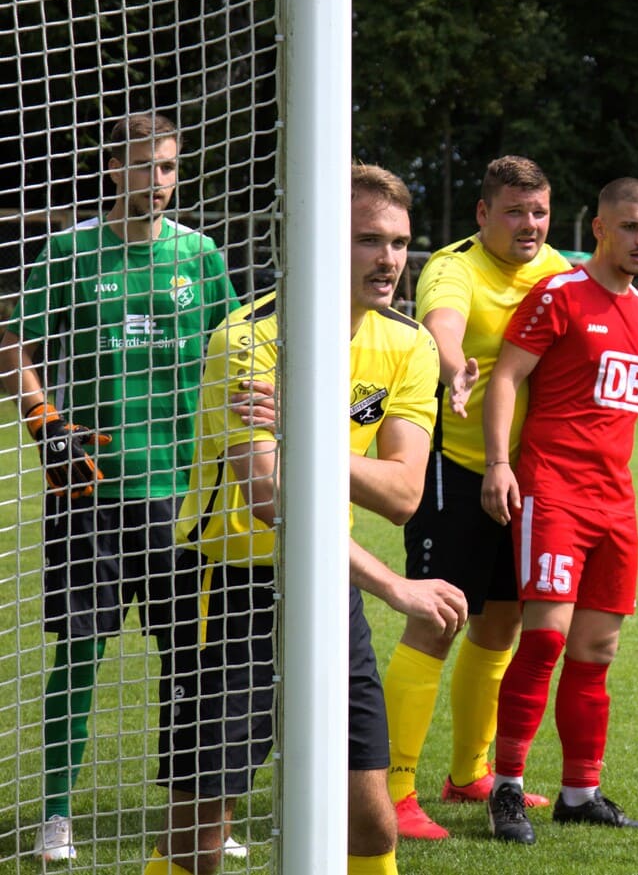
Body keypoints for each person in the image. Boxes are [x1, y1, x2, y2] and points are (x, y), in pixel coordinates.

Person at [384, 156, 638, 839]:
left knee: (503, 628)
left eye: (538, 211)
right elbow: (445, 326)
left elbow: (617, 309)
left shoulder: (554, 267)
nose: (528, 224)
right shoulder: (455, 268)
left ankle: (476, 774)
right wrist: (456, 370)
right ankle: (398, 788)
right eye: (514, 211)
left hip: (545, 483)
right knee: (438, 620)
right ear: (483, 213)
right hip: (460, 466)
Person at [144, 162, 467, 875]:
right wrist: (394, 584)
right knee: (201, 835)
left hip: (330, 589)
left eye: (398, 241)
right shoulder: (248, 338)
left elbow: (403, 493)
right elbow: (271, 498)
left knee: (371, 819)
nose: (388, 259)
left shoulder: (408, 344)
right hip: (224, 591)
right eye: (366, 240)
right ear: (318, 241)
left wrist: (308, 427)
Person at [0, 113, 242, 863]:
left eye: (168, 167)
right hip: (91, 489)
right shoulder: (70, 252)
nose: (158, 182)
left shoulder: (199, 255)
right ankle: (57, 816)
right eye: (144, 167)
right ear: (114, 169)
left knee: (193, 660)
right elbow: (15, 344)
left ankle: (203, 821)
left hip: (186, 495)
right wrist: (46, 420)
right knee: (80, 652)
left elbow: (237, 347)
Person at [480, 176, 638, 844]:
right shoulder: (560, 293)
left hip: (614, 504)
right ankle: (506, 788)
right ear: (599, 227)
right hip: (554, 491)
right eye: (630, 226)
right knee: (543, 637)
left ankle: (580, 791)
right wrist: (497, 463)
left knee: (596, 648)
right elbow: (506, 376)